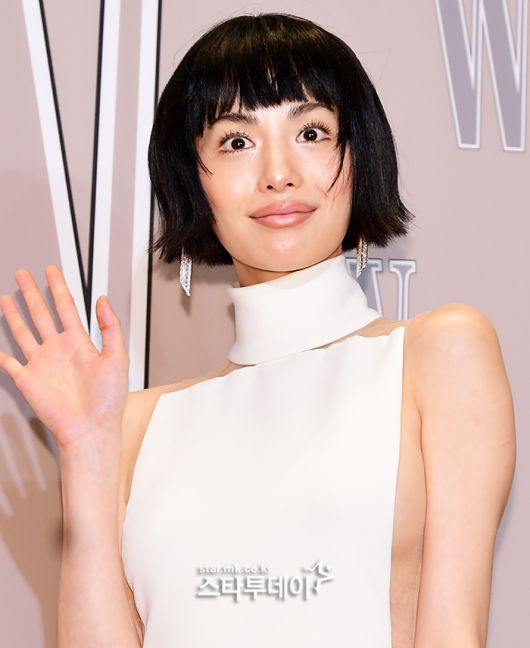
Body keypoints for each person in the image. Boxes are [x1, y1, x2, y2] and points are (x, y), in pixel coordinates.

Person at [0, 12, 515, 648]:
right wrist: (84, 450)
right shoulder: (133, 425)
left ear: (360, 156)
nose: (278, 172)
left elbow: (454, 632)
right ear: (192, 179)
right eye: (237, 141)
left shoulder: (439, 355)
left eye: (312, 132)